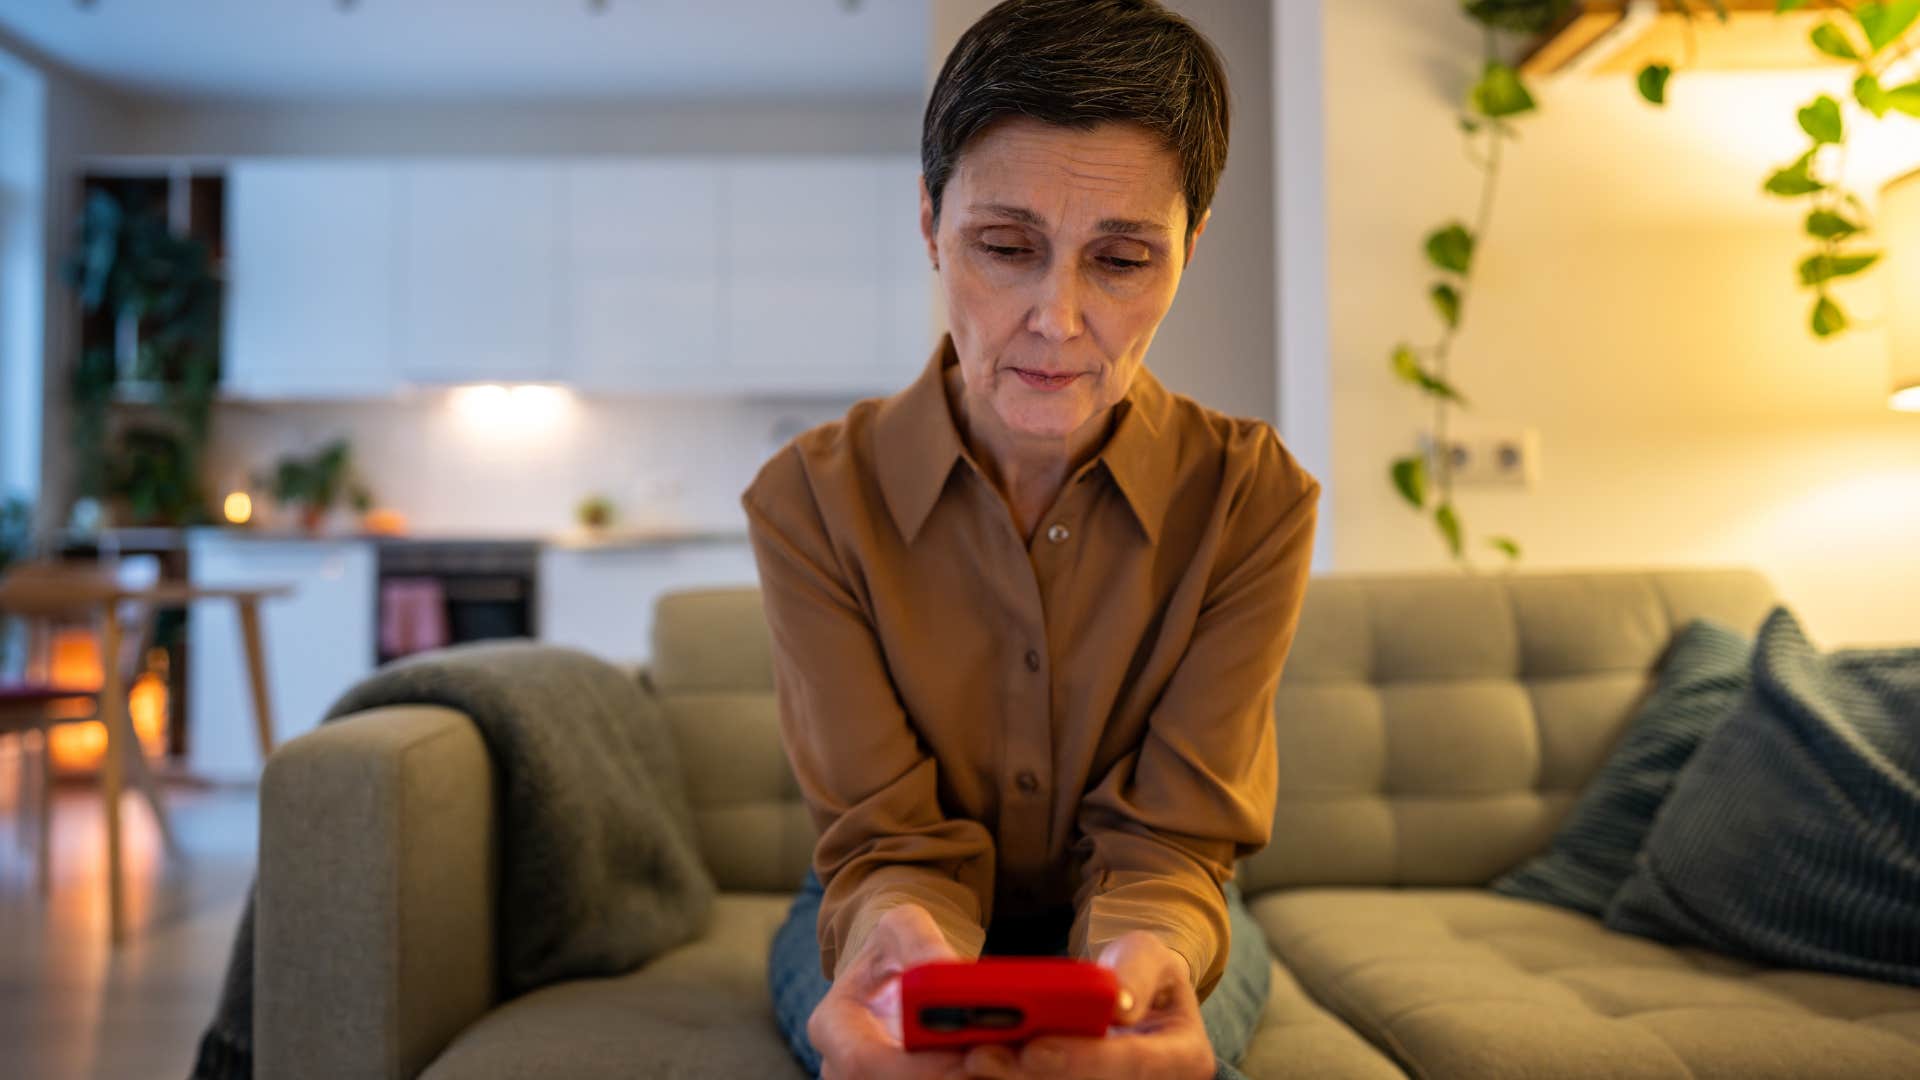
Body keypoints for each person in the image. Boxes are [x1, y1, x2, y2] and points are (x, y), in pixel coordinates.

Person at [742, 1, 1322, 1077]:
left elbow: (1172, 842)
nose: (1056, 319)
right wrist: (898, 950)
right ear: (929, 224)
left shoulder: (1253, 500)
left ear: (1191, 247)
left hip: (1155, 921)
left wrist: (1135, 962)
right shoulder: (809, 501)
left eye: (1122, 260)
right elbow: (888, 844)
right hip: (883, 915)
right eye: (1006, 248)